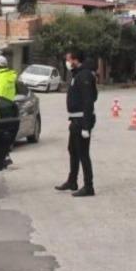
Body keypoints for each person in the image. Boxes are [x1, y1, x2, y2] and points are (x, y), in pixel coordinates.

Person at [56, 49, 97, 197]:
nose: (67, 62)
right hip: (75, 119)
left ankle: (89, 186)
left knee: (83, 153)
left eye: (68, 59)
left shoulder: (84, 75)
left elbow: (89, 100)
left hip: (82, 120)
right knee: (73, 150)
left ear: (75, 60)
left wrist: (86, 126)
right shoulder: (77, 74)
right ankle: (72, 181)